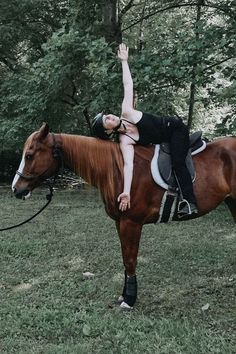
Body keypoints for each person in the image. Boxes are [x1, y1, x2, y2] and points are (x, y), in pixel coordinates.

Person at [92, 43, 198, 217]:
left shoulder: (127, 111)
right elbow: (128, 166)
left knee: (178, 163)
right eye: (106, 121)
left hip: (176, 130)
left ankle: (190, 202)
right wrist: (126, 191)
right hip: (163, 140)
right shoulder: (125, 141)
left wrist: (124, 61)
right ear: (108, 132)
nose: (110, 116)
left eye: (108, 115)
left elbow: (128, 85)